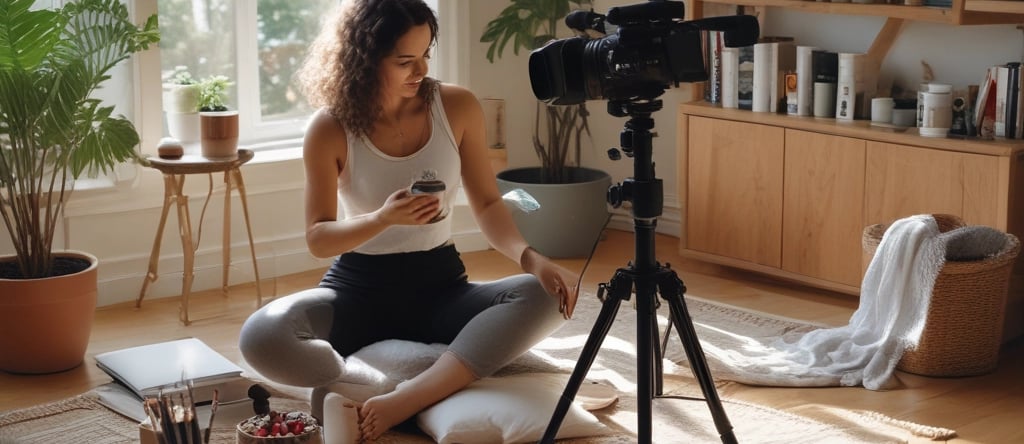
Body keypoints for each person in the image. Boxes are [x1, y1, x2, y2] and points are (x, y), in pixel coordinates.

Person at [238, 0, 580, 440]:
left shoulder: (456, 106)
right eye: (404, 61)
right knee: (261, 336)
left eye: (425, 55)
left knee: (545, 293)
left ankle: (404, 397)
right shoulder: (330, 127)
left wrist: (533, 259)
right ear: (364, 59)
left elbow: (488, 203)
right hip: (357, 294)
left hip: (442, 290)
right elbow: (319, 238)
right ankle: (362, 377)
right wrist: (382, 218)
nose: (420, 70)